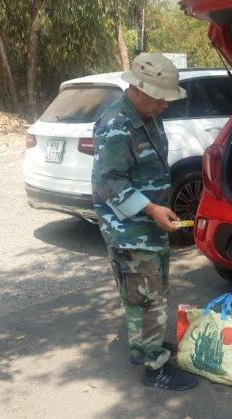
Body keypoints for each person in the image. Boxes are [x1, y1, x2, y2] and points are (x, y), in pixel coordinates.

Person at [91, 53, 197, 391]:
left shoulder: (146, 114)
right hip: (131, 230)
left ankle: (144, 347)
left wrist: (156, 211)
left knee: (147, 292)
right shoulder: (116, 124)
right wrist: (152, 210)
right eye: (160, 96)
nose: (166, 104)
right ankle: (155, 369)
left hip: (149, 225)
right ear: (138, 88)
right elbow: (108, 182)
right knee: (150, 298)